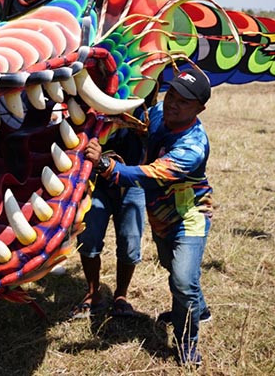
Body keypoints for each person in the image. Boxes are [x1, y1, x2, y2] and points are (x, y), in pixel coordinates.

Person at [84, 69, 214, 367]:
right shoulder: (159, 112)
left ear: (199, 109)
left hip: (189, 217)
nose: (173, 104)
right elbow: (145, 124)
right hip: (160, 216)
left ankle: (186, 343)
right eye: (173, 96)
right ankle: (199, 309)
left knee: (182, 280)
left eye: (184, 102)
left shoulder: (192, 147)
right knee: (173, 267)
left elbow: (150, 175)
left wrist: (104, 164)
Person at [70, 108, 149, 319]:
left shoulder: (145, 102)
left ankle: (121, 297)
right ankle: (93, 293)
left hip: (133, 179)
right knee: (88, 238)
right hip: (96, 181)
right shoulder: (87, 100)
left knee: (130, 242)